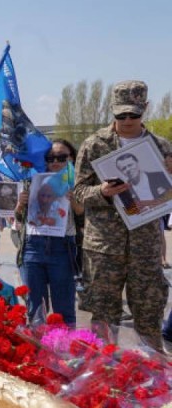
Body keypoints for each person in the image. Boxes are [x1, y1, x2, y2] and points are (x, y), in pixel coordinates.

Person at [73, 80, 171, 350]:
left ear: (145, 108)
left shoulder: (162, 148)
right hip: (105, 247)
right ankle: (101, 373)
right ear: (113, 111)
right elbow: (78, 191)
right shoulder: (95, 145)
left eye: (134, 114)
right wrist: (102, 192)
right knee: (104, 316)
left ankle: (152, 379)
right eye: (121, 115)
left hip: (145, 247)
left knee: (150, 312)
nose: (127, 120)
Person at [16, 141, 81, 326]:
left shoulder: (78, 183)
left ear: (72, 158)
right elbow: (20, 218)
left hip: (63, 248)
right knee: (35, 309)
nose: (56, 162)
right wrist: (21, 203)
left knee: (63, 309)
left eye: (62, 157)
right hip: (33, 247)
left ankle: (66, 351)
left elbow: (84, 219)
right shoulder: (32, 181)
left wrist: (74, 201)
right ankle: (38, 351)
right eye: (50, 158)